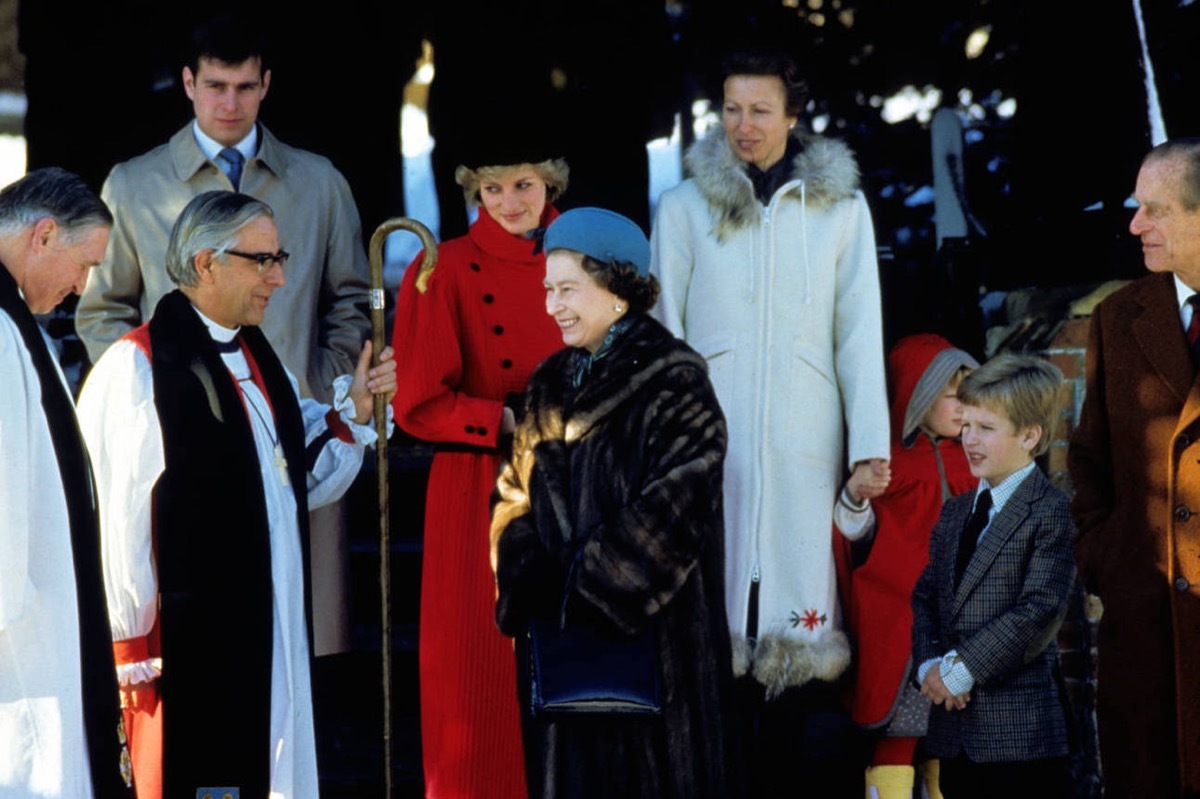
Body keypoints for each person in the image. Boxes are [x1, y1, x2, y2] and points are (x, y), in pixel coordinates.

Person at [75, 191, 396, 799]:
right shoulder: (139, 368)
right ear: (205, 263)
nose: (279, 277)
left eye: (280, 257)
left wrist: (351, 412)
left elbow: (293, 474)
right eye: (261, 260)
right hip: (186, 649)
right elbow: (118, 522)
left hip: (270, 626)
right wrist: (131, 642)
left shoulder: (255, 355)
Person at [74, 14, 371, 655]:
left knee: (299, 641)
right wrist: (145, 393)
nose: (229, 103)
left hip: (296, 432)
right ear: (187, 83)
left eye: (243, 86)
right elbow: (101, 312)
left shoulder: (319, 182)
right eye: (215, 86)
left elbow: (352, 299)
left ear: (267, 84)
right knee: (201, 637)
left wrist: (318, 380)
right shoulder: (134, 184)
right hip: (182, 434)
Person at [649, 46, 890, 794]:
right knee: (710, 642)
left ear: (793, 114)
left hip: (804, 443)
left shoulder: (841, 210)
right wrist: (665, 440)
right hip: (706, 444)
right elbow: (663, 330)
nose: (743, 125)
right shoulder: (685, 209)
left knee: (793, 645)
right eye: (731, 108)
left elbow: (859, 331)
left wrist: (869, 443)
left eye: (760, 109)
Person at [491, 207, 743, 797]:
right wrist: (530, 576)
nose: (553, 305)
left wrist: (586, 580)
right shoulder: (549, 380)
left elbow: (680, 501)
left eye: (569, 289)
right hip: (564, 648)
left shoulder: (676, 379)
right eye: (548, 289)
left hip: (660, 649)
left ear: (619, 289)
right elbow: (511, 491)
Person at [389, 132, 568, 798]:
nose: (509, 201)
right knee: (475, 671)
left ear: (549, 180)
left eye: (523, 183)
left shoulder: (590, 258)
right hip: (477, 483)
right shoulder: (444, 267)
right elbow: (416, 401)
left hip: (579, 478)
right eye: (491, 188)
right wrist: (504, 419)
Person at [1068, 137, 1200, 798]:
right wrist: (1106, 555)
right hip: (1142, 632)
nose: (1134, 224)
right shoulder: (1119, 317)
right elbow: (1088, 458)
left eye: (1156, 209)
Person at [0, 168, 132, 798]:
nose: (82, 288)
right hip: (17, 635)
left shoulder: (16, 322)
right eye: (84, 266)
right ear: (44, 235)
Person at [911, 353, 1076, 799]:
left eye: (986, 428)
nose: (969, 440)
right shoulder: (956, 511)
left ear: (1029, 435)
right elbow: (926, 596)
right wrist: (931, 667)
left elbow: (1037, 611)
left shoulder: (1049, 512)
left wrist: (961, 671)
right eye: (965, 425)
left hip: (1021, 739)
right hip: (956, 732)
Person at [835, 334, 979, 798]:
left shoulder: (975, 460)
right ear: (917, 397)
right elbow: (854, 532)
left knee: (946, 739)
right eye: (952, 396)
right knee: (901, 733)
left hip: (960, 622)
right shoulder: (886, 464)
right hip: (901, 619)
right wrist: (858, 494)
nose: (963, 408)